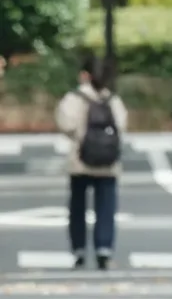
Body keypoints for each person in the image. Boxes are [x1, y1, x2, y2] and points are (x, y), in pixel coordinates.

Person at [54, 51, 128, 270]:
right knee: (106, 205)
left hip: (81, 160)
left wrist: (79, 135)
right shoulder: (112, 100)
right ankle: (104, 249)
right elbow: (121, 125)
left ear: (85, 75)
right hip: (108, 163)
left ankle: (79, 249)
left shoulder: (75, 98)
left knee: (77, 206)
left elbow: (65, 123)